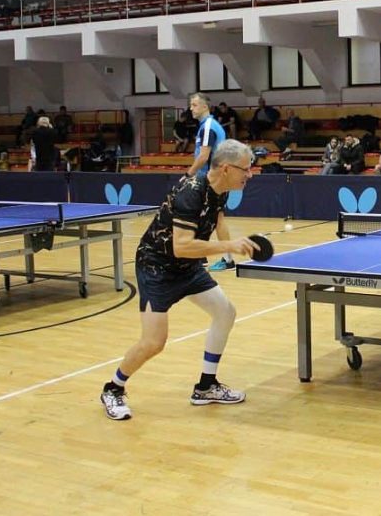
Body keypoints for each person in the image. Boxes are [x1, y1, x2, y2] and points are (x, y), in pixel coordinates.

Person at [99, 140, 260, 421]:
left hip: (188, 267)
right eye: (245, 169)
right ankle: (113, 388)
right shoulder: (190, 193)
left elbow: (219, 222)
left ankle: (206, 386)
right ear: (226, 168)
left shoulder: (219, 191)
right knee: (154, 342)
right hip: (157, 268)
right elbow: (181, 246)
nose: (250, 174)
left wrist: (231, 253)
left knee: (225, 312)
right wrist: (228, 246)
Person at [187, 92, 235, 272]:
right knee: (202, 217)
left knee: (217, 219)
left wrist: (188, 174)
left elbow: (203, 156)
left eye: (194, 105)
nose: (191, 108)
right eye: (191, 105)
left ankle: (228, 260)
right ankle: (201, 257)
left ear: (205, 106)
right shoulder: (208, 126)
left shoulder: (208, 126)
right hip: (212, 179)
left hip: (214, 181)